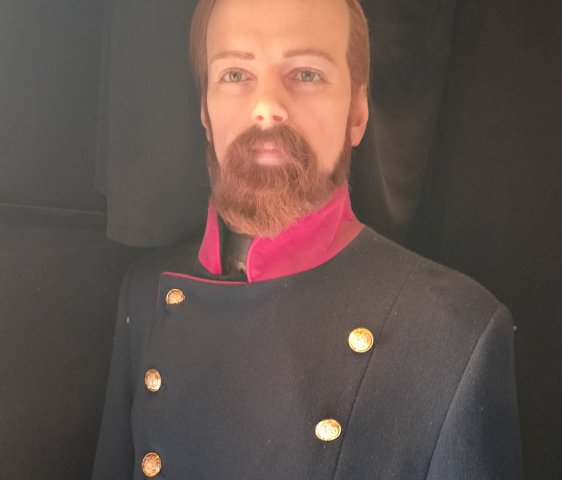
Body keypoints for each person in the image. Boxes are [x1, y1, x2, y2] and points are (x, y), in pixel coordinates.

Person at [92, 0, 522, 478]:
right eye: (235, 74)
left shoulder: (453, 330)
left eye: (307, 74)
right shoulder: (144, 290)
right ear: (205, 114)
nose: (267, 107)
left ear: (357, 112)